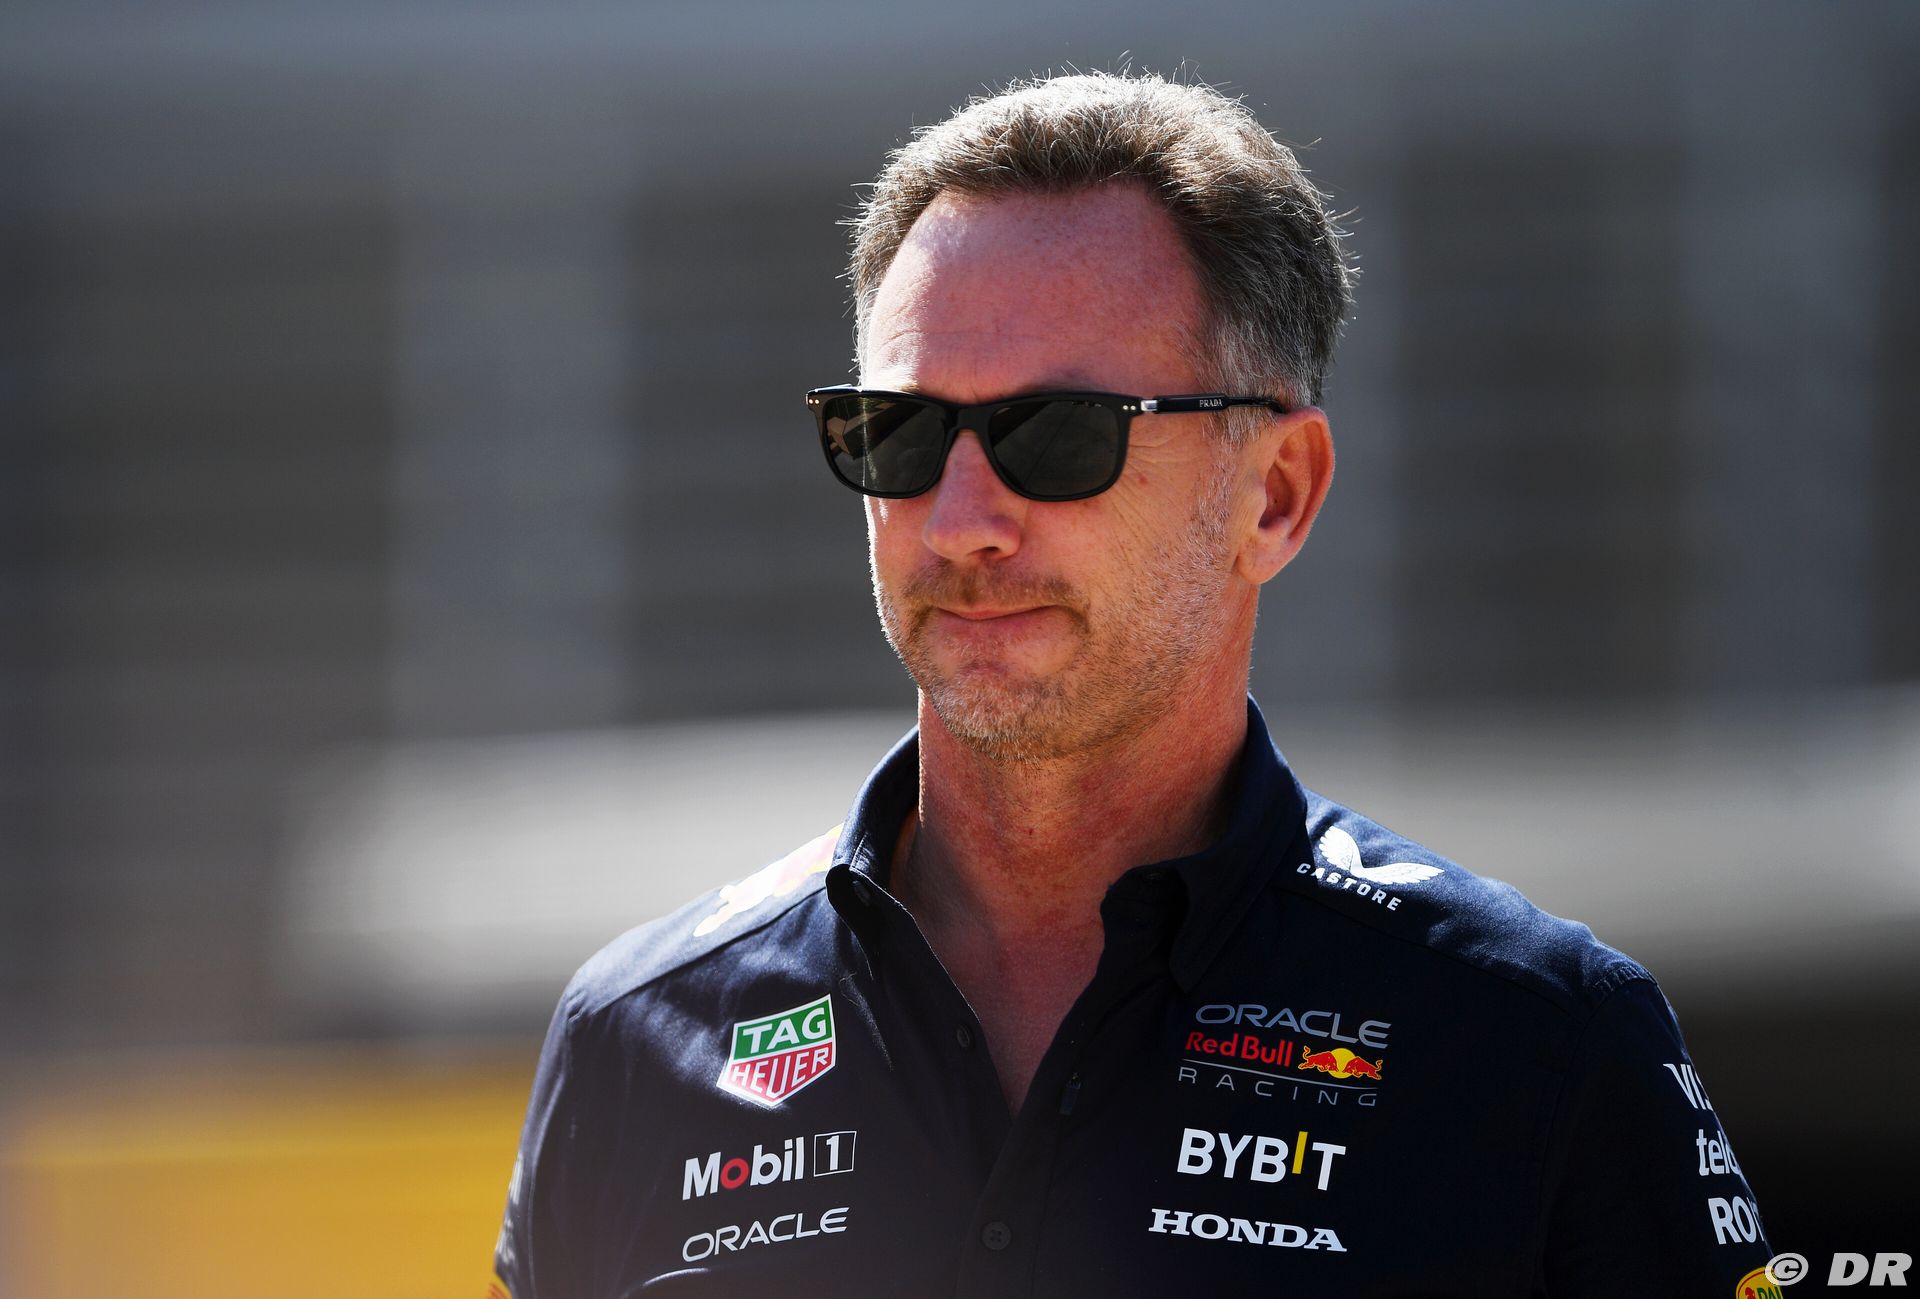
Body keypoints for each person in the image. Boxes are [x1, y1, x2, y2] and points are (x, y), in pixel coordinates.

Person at [492, 71, 1773, 1298]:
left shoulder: (1536, 1040)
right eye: (902, 433)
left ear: (1275, 496)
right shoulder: (638, 1033)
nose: (963, 522)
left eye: (1061, 435)